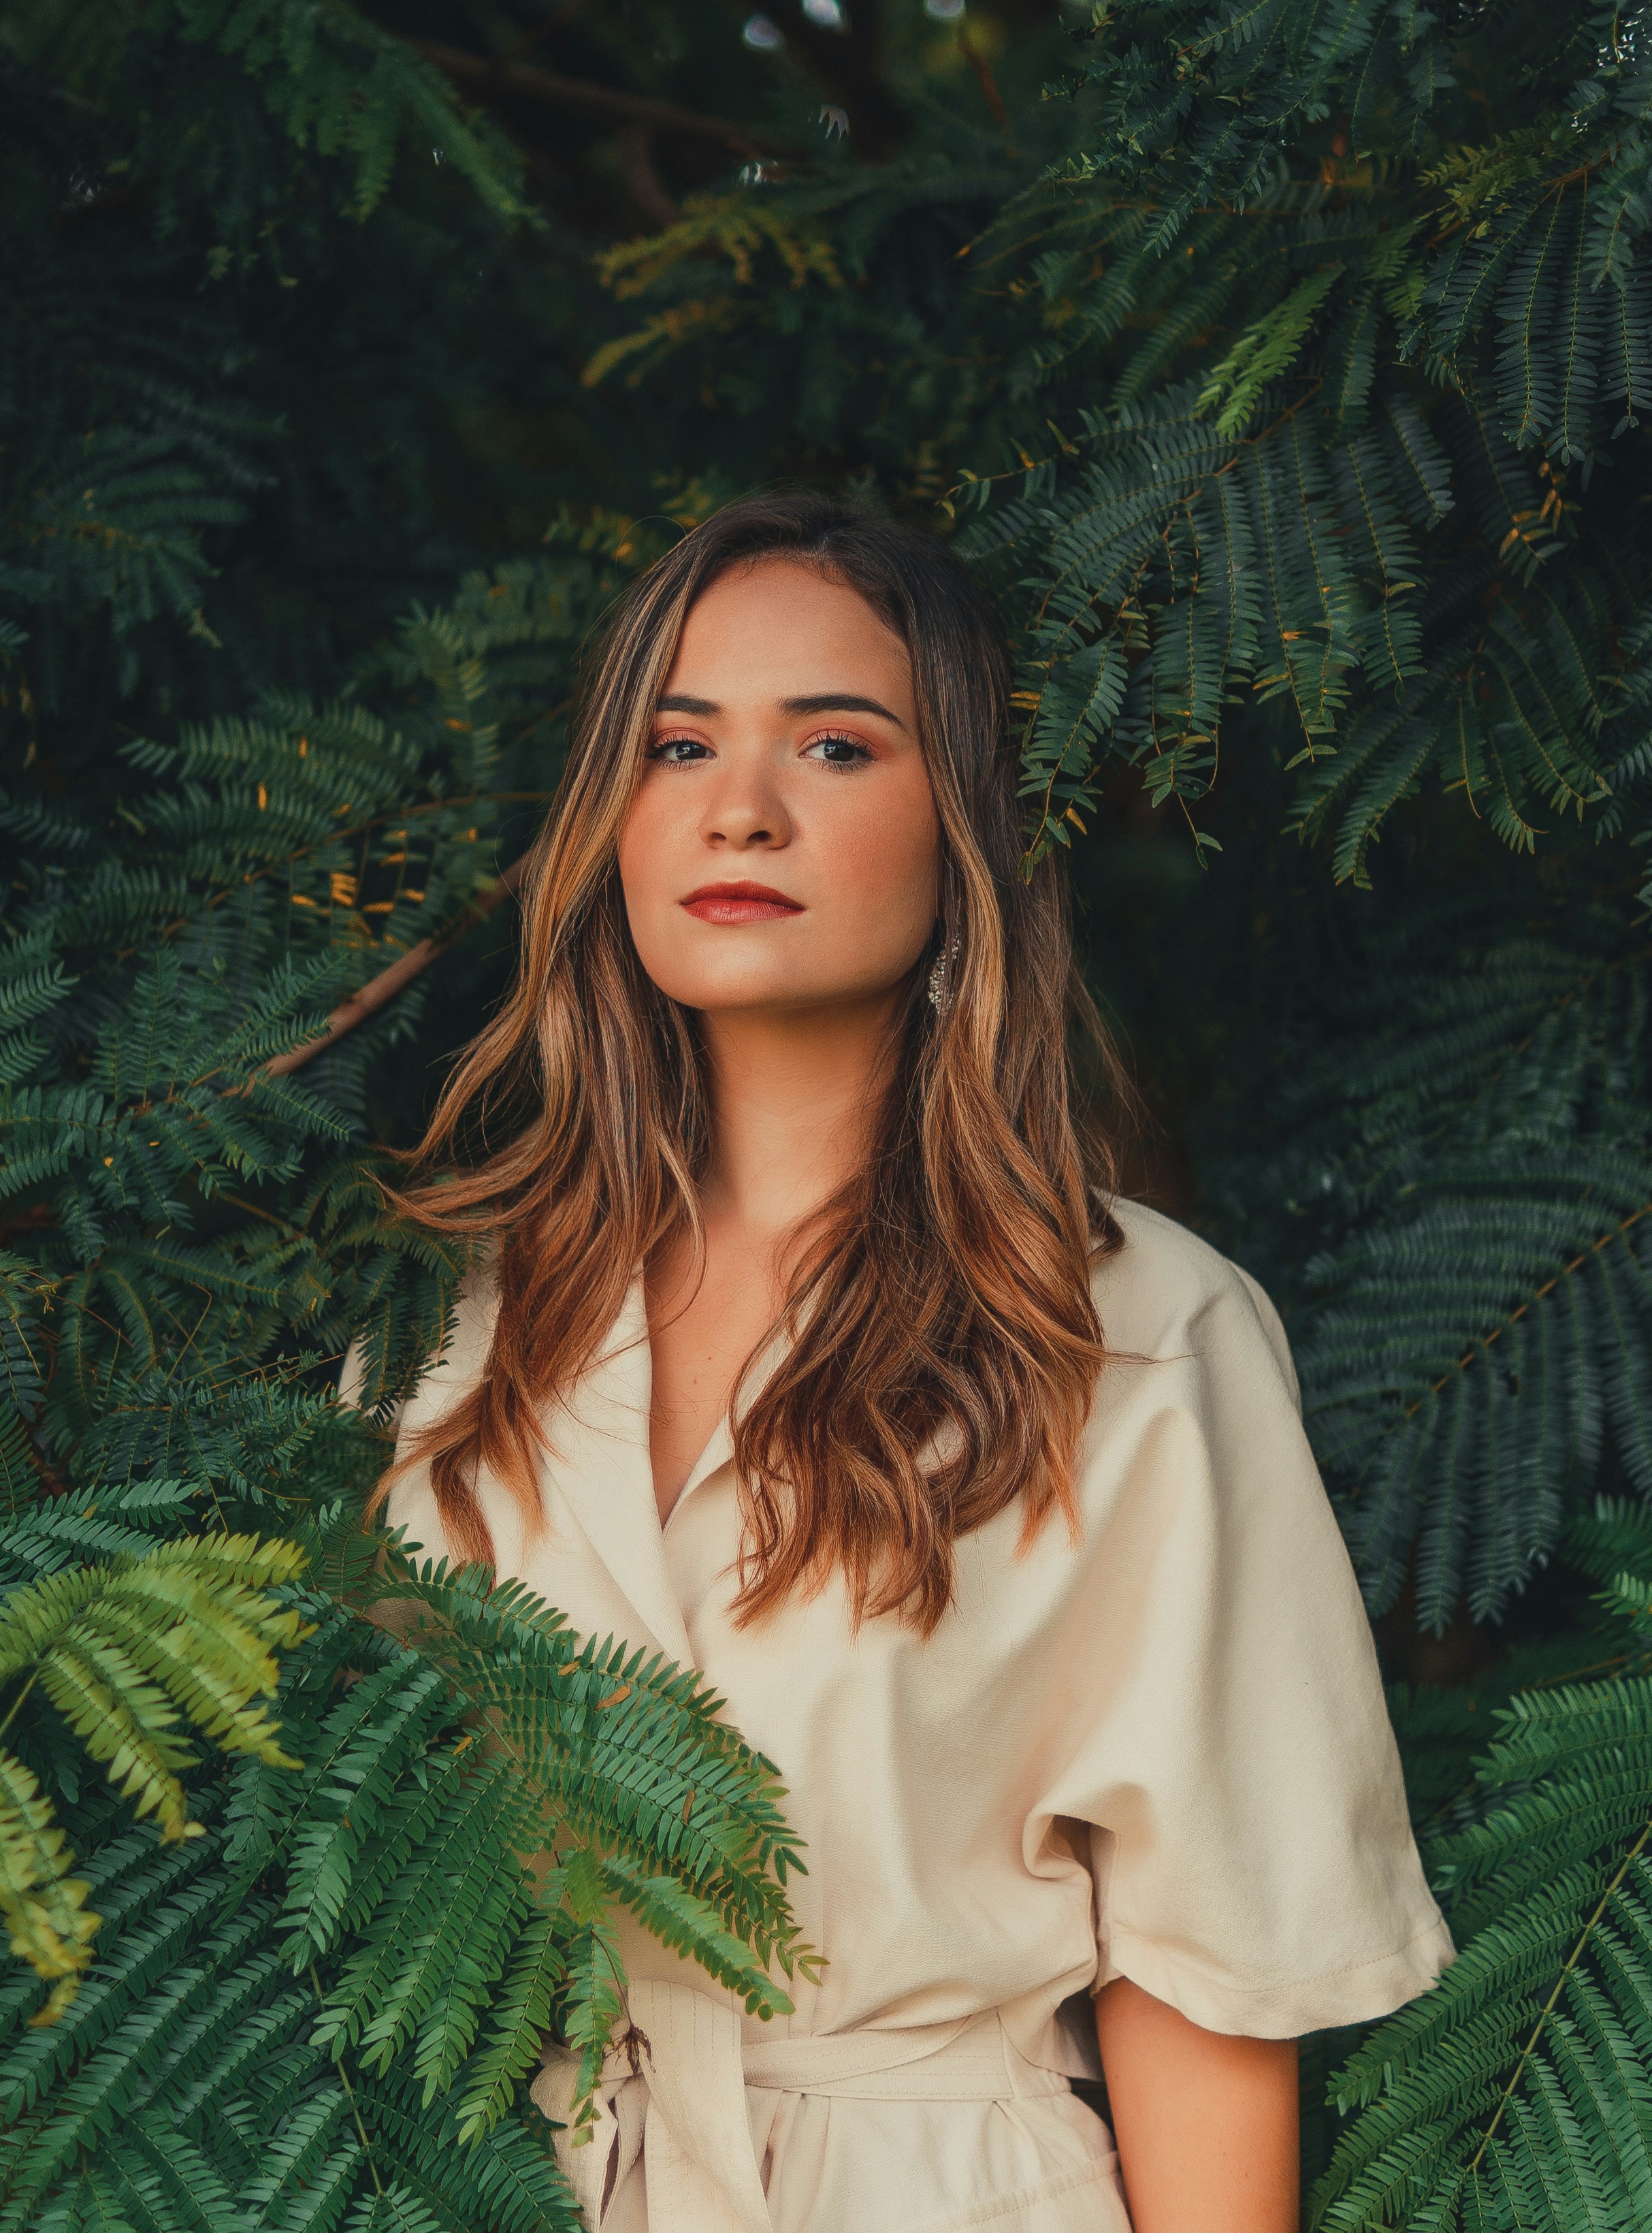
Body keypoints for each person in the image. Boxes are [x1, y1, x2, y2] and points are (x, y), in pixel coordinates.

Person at [377, 493, 1453, 2233]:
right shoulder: (448, 1328)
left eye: (834, 741)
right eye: (676, 744)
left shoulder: (1134, 1336)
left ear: (961, 827)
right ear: (612, 823)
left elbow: (1198, 1978)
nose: (741, 805)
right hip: (490, 2175)